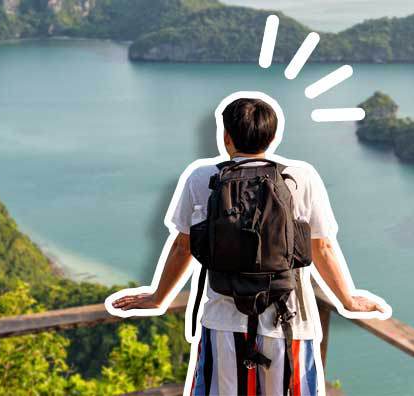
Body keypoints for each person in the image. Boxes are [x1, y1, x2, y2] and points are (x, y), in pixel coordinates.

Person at [110, 95, 389, 396]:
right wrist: (348, 300)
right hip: (289, 323)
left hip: (223, 323)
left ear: (226, 136)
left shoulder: (202, 177)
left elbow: (182, 247)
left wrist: (157, 298)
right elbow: (323, 248)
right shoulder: (300, 178)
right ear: (271, 137)